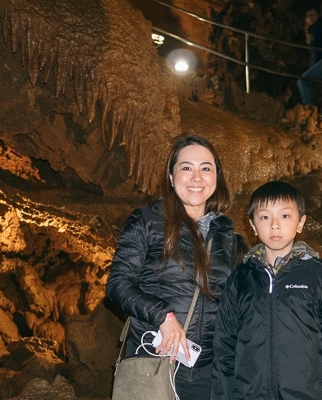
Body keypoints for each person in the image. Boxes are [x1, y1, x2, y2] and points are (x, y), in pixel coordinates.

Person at [106, 134, 238, 399]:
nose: (196, 177)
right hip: (155, 362)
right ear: (170, 176)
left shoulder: (225, 232)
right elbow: (118, 285)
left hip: (207, 370)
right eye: (186, 167)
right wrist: (163, 316)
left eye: (206, 168)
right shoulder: (146, 220)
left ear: (217, 177)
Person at [211, 180, 322, 400]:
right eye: (264, 217)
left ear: (301, 223)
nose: (274, 225)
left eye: (285, 216)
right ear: (252, 225)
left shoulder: (320, 277)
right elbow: (224, 351)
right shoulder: (240, 280)